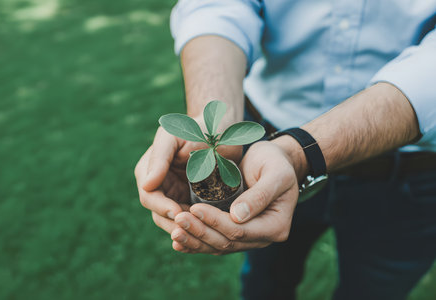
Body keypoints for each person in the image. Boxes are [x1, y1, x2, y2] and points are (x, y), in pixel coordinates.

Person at [135, 1, 436, 299]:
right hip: (261, 155)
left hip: (410, 172)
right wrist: (210, 122)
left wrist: (299, 153)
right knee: (265, 283)